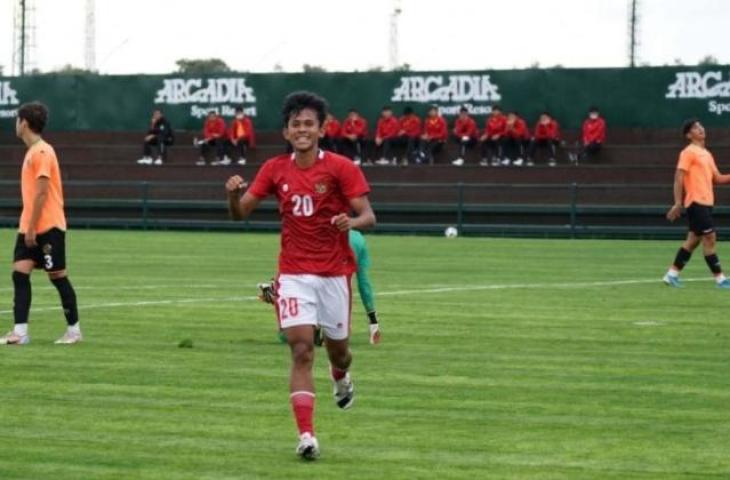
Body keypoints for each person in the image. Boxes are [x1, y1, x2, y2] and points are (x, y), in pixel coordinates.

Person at [225, 91, 376, 460]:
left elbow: (368, 217)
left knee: (339, 353)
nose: (303, 129)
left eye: (309, 123)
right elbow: (239, 214)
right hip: (293, 273)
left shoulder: (341, 167)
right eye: (296, 124)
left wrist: (348, 221)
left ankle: (340, 376)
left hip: (334, 274)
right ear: (287, 132)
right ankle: (306, 435)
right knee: (302, 349)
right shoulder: (275, 168)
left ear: (322, 129)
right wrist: (234, 195)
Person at [0, 102, 82, 346]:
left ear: (24, 123)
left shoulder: (42, 151)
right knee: (19, 274)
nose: (16, 124)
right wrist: (27, 226)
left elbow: (42, 192)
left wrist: (33, 226)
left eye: (17, 119)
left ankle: (74, 331)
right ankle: (20, 332)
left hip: (47, 227)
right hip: (28, 226)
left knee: (57, 276)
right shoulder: (32, 151)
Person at [260, 228, 382, 345]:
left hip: (316, 290)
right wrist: (373, 320)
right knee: (338, 340)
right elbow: (363, 283)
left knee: (289, 336)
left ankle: (278, 297)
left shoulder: (312, 237)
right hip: (336, 300)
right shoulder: (357, 239)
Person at [663, 119, 730, 289]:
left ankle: (672, 274)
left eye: (701, 126)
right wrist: (677, 202)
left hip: (707, 203)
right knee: (710, 237)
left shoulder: (707, 154)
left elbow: (718, 178)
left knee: (693, 240)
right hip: (696, 202)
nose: (700, 129)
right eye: (695, 128)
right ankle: (720, 279)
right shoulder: (688, 152)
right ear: (688, 135)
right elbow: (678, 177)